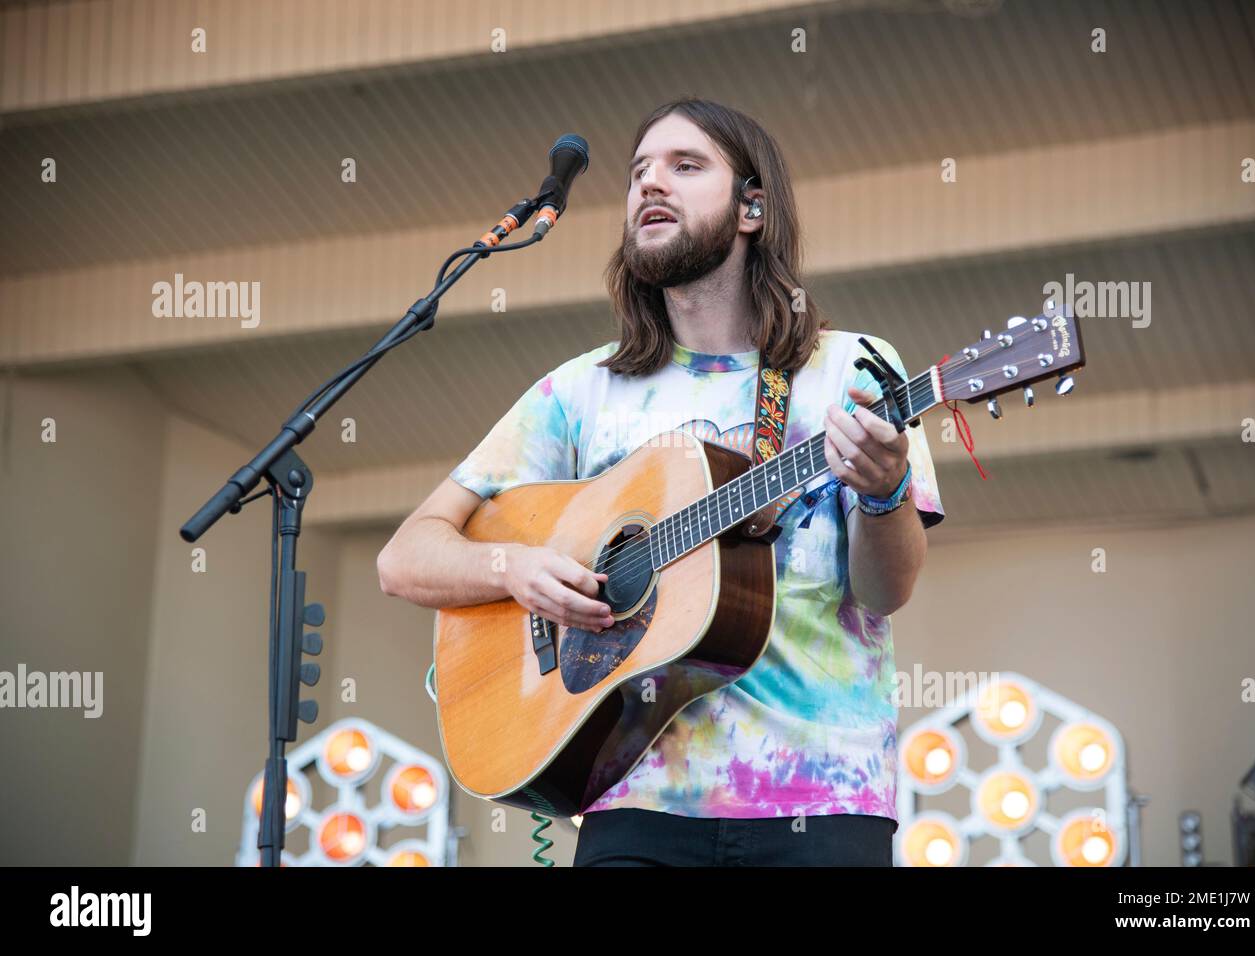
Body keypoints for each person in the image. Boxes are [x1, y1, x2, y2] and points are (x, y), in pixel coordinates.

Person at [377, 97, 945, 866]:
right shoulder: (579, 392)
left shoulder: (851, 369)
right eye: (639, 172)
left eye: (685, 166)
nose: (650, 185)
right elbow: (404, 557)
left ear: (752, 207)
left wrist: (882, 493)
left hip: (823, 801)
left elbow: (884, 593)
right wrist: (515, 568)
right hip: (631, 804)